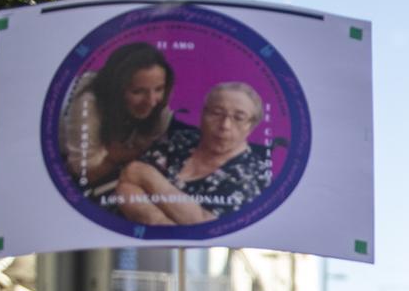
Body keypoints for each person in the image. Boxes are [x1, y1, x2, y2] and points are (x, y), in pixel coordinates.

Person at [114, 83, 273, 225]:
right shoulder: (181, 139)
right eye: (217, 113)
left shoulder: (252, 176)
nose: (225, 125)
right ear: (203, 115)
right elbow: (127, 182)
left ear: (251, 126)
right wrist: (162, 222)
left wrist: (147, 176)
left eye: (239, 118)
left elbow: (208, 226)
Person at [58, 42, 174, 191]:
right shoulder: (88, 101)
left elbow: (146, 146)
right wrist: (120, 156)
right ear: (116, 89)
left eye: (159, 89)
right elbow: (85, 173)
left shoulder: (160, 106)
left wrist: (116, 155)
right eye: (138, 91)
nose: (151, 102)